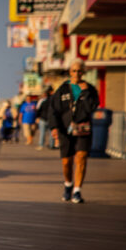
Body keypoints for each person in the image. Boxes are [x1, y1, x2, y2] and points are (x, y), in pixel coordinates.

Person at [50, 59, 99, 203]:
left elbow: (91, 107)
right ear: (70, 72)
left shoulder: (90, 89)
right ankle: (68, 185)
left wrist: (85, 92)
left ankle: (77, 190)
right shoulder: (62, 89)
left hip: (83, 128)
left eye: (79, 71)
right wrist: (54, 127)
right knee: (66, 161)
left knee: (81, 157)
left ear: (83, 72)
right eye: (74, 71)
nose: (76, 73)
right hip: (65, 130)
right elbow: (53, 110)